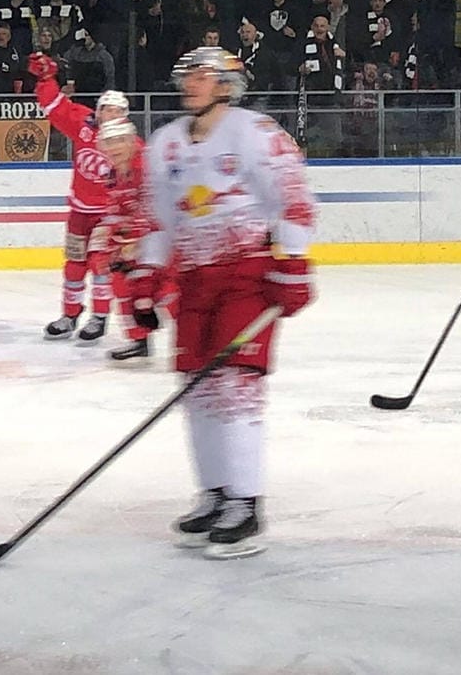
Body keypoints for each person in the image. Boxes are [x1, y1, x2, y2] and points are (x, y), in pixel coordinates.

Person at [140, 47, 317, 560]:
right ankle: (214, 492)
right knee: (196, 389)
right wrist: (149, 281)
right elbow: (159, 219)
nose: (190, 84)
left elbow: (294, 198)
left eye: (202, 75)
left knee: (235, 386)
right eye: (186, 75)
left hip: (246, 277)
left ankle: (246, 501)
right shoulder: (165, 144)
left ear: (226, 84)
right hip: (194, 281)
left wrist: (294, 263)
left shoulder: (255, 133)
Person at [29, 52, 130, 342]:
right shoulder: (84, 127)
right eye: (104, 109)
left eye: (115, 111)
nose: (108, 114)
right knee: (74, 265)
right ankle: (70, 315)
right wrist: (46, 78)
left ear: (124, 116)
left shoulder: (129, 143)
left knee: (101, 264)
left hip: (108, 216)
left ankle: (99, 316)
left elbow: (142, 175)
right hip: (79, 212)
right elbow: (54, 106)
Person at [88, 117, 166, 363]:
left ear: (132, 141)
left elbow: (158, 210)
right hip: (142, 236)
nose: (114, 147)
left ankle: (201, 341)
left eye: (120, 140)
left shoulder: (146, 167)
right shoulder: (113, 173)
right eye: (109, 142)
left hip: (166, 236)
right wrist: (106, 242)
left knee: (169, 291)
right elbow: (117, 210)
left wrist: (134, 243)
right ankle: (138, 339)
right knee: (120, 279)